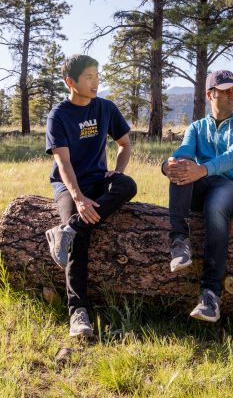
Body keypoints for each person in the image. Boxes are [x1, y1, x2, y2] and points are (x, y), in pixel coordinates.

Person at [44, 54, 137, 338]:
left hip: (99, 179)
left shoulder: (105, 108)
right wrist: (79, 198)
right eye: (88, 77)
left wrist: (117, 172)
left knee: (127, 185)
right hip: (68, 183)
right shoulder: (59, 116)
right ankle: (78, 313)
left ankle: (67, 230)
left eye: (97, 76)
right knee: (80, 237)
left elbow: (124, 144)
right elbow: (64, 163)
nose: (95, 82)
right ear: (70, 82)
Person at [164, 70, 233, 323]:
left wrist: (202, 169)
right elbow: (183, 151)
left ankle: (210, 295)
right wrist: (169, 165)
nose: (232, 95)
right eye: (226, 90)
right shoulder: (197, 127)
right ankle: (179, 242)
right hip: (204, 183)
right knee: (181, 168)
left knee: (215, 205)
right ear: (210, 95)